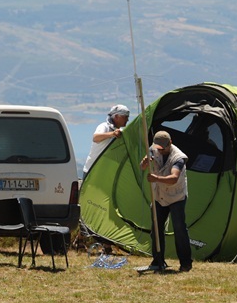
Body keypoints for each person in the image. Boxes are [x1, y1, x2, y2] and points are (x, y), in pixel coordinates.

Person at [140, 130, 193, 272]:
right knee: (156, 230)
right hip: (158, 196)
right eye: (158, 148)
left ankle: (186, 263)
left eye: (163, 148)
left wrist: (156, 179)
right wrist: (145, 163)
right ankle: (158, 261)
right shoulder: (153, 148)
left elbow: (174, 177)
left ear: (170, 143)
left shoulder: (179, 158)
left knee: (179, 229)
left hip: (176, 196)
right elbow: (143, 165)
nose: (160, 151)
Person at [82, 104, 130, 180]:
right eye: (125, 117)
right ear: (116, 116)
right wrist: (112, 134)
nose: (127, 119)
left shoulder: (120, 132)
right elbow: (95, 138)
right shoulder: (104, 126)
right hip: (92, 170)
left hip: (106, 172)